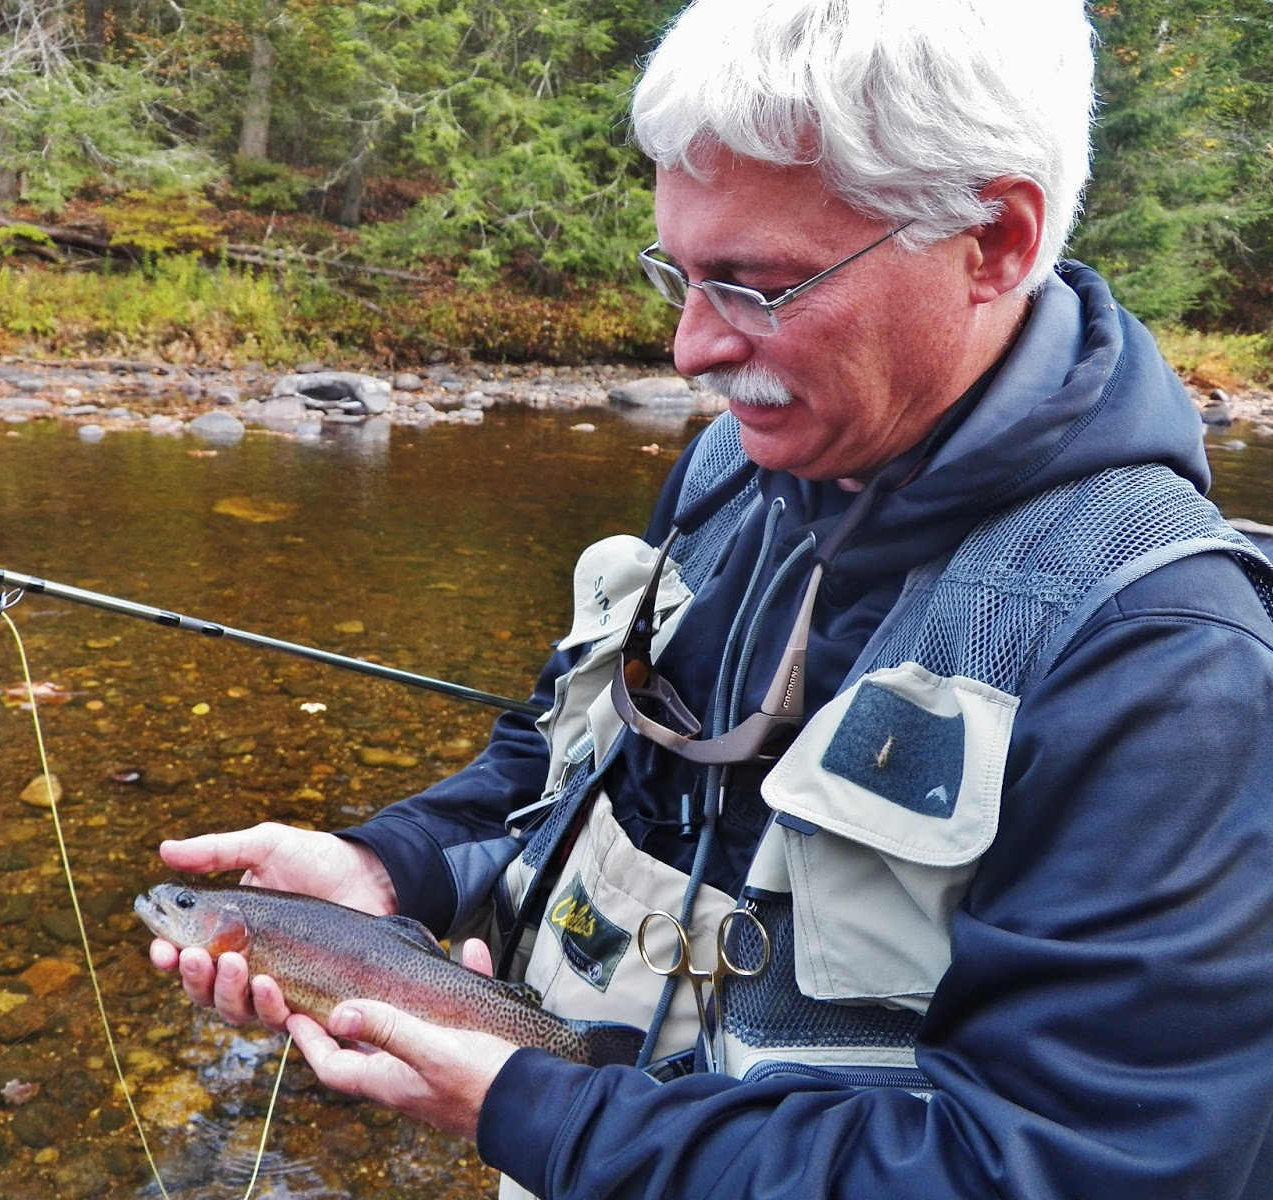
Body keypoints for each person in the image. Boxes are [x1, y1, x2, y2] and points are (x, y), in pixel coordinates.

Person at [150, 1, 1273, 1195]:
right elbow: (564, 754)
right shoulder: (737, 469)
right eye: (678, 276)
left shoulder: (1170, 661)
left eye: (756, 285)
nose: (689, 349)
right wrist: (394, 870)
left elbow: (1061, 1170)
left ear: (992, 240)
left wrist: (546, 1116)